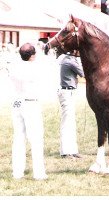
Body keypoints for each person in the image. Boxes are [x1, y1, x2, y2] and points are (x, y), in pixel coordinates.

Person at [10, 43, 47, 180]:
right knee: (36, 139)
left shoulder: (15, 66)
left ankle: (17, 172)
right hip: (31, 103)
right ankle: (39, 173)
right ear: (32, 55)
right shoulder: (36, 67)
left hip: (17, 102)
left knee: (18, 137)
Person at [57, 50, 84, 159]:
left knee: (70, 122)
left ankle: (72, 150)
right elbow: (83, 73)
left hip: (68, 91)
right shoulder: (71, 61)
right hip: (67, 92)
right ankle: (66, 151)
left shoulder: (68, 59)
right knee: (67, 122)